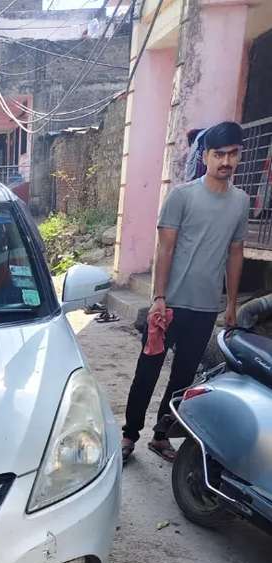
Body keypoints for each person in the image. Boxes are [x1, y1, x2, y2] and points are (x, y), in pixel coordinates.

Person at [121, 120, 250, 463]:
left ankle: (161, 436)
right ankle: (129, 434)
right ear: (205, 156)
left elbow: (235, 253)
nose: (225, 161)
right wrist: (159, 298)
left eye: (232, 154)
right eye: (218, 153)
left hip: (206, 307)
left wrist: (232, 304)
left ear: (239, 156)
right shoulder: (182, 196)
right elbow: (165, 250)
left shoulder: (240, 202)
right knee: (147, 372)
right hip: (171, 305)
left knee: (182, 378)